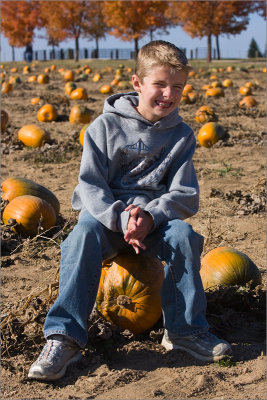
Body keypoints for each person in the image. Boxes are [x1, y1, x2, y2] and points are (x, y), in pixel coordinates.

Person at [28, 40, 231, 381]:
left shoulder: (182, 136)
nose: (169, 94)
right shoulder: (103, 128)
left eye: (178, 87)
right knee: (81, 237)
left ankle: (184, 329)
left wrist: (149, 216)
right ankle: (63, 336)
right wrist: (122, 217)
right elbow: (90, 187)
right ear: (137, 83)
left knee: (184, 235)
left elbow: (185, 194)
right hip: (106, 218)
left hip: (154, 221)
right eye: (160, 84)